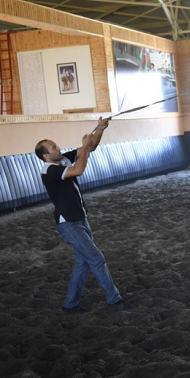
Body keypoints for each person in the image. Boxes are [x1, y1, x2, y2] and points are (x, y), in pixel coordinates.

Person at [34, 117, 134, 314]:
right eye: (54, 147)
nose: (58, 147)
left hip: (80, 219)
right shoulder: (50, 171)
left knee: (83, 263)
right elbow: (79, 169)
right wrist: (85, 145)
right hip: (69, 224)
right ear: (46, 156)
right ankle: (114, 300)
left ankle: (70, 305)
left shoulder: (61, 160)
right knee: (96, 258)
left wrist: (100, 129)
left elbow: (90, 148)